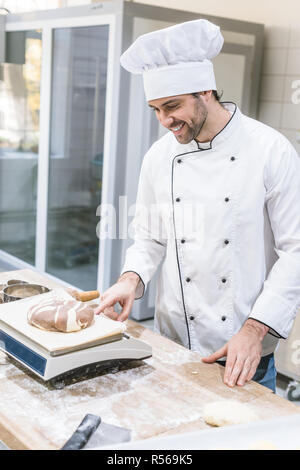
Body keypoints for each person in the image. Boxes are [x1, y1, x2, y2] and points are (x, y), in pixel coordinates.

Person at [95, 19, 300, 392]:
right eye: (155, 109)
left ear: (206, 90)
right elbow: (149, 238)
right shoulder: (159, 157)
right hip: (172, 345)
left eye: (172, 106)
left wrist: (255, 330)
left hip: (244, 352)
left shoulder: (270, 151)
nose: (164, 121)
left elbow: (295, 252)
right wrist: (130, 280)